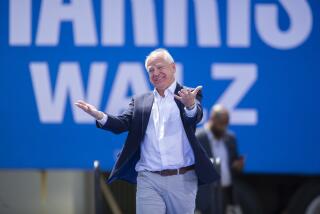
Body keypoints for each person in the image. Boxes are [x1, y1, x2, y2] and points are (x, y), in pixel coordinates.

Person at [75, 48, 219, 214]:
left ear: (173, 67)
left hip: (182, 179)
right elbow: (121, 124)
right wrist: (99, 115)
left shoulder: (188, 94)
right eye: (151, 70)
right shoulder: (140, 101)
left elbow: (194, 116)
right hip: (148, 178)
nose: (155, 73)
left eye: (160, 67)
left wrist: (190, 105)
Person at [196, 104, 244, 214]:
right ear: (212, 119)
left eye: (225, 124)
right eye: (220, 124)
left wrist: (237, 165)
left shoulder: (230, 137)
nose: (223, 128)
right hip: (207, 196)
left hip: (227, 194)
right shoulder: (198, 137)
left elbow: (233, 163)